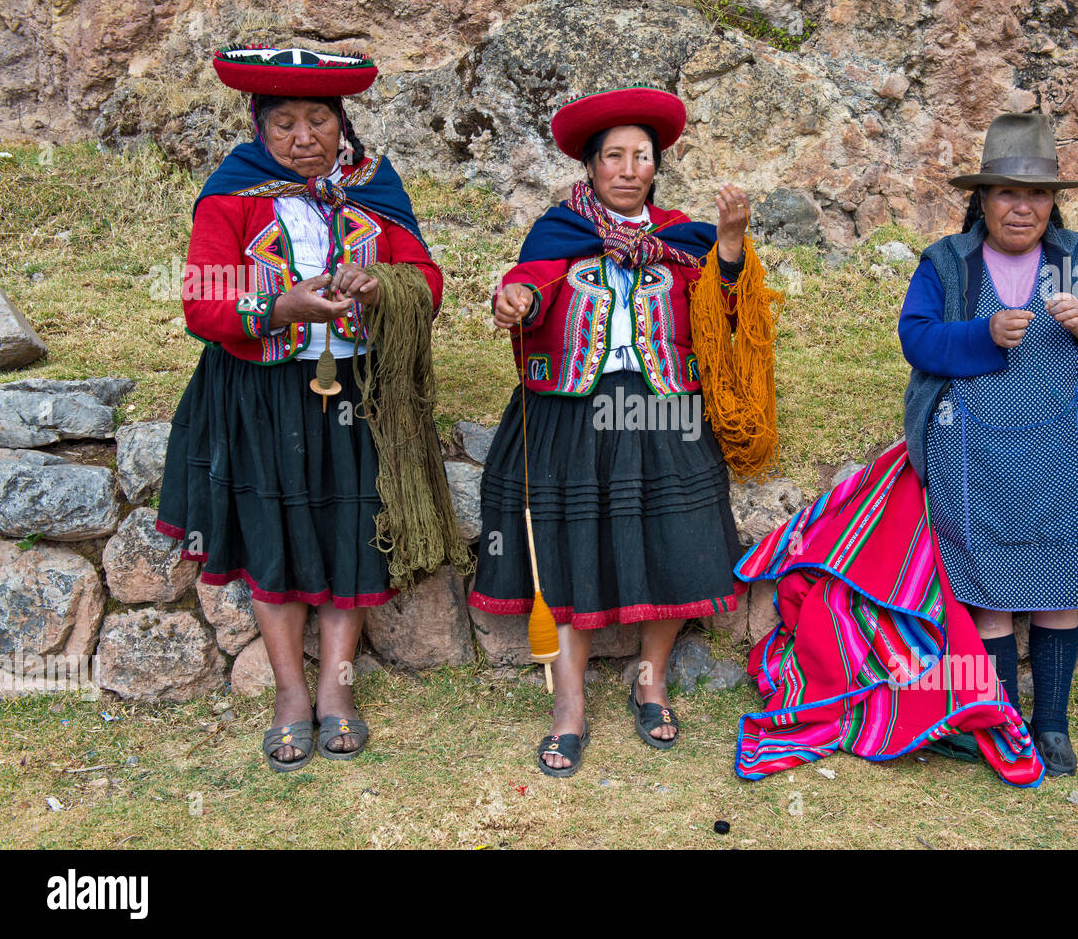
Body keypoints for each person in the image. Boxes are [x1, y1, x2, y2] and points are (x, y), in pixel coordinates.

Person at [156, 45, 448, 771]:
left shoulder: (375, 190)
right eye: (283, 122)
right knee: (273, 532)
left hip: (358, 390)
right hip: (261, 393)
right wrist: (279, 305)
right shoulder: (232, 195)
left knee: (351, 527)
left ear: (341, 124)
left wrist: (383, 286)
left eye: (318, 119)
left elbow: (428, 280)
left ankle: (337, 691)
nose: (302, 137)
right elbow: (202, 301)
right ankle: (290, 693)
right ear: (260, 129)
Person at [472, 86, 761, 777]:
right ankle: (568, 703)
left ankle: (649, 676)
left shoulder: (683, 237)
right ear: (592, 166)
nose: (629, 168)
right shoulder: (559, 231)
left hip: (663, 407)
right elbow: (528, 280)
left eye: (642, 157)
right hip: (573, 410)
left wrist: (729, 246)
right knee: (566, 546)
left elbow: (727, 312)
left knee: (679, 537)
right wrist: (514, 299)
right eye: (615, 157)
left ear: (656, 167)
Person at [897, 112, 1078, 776]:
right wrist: (982, 334)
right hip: (975, 456)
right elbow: (916, 338)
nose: (1024, 207)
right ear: (982, 199)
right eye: (1008, 194)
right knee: (988, 590)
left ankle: (1052, 727)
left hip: (1062, 451)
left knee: (1060, 586)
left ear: (1054, 201)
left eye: (1038, 194)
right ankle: (1003, 724)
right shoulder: (947, 262)